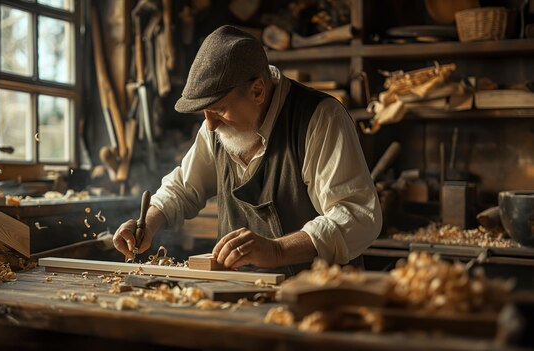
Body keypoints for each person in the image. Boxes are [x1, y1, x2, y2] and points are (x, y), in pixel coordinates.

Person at [113, 25, 382, 276]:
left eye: (218, 109)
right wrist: (146, 224)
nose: (209, 123)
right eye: (204, 112)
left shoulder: (320, 118)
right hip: (238, 298)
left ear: (257, 91)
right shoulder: (216, 128)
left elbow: (357, 215)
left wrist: (277, 250)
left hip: (317, 298)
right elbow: (182, 188)